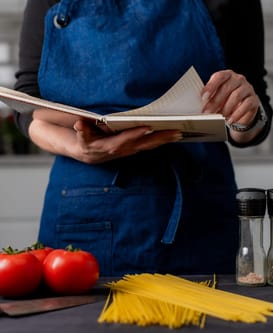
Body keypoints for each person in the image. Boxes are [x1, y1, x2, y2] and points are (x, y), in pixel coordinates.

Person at [14, 0, 272, 277]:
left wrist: (247, 114)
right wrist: (80, 149)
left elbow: (253, 120)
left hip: (201, 212)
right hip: (83, 211)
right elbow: (28, 106)